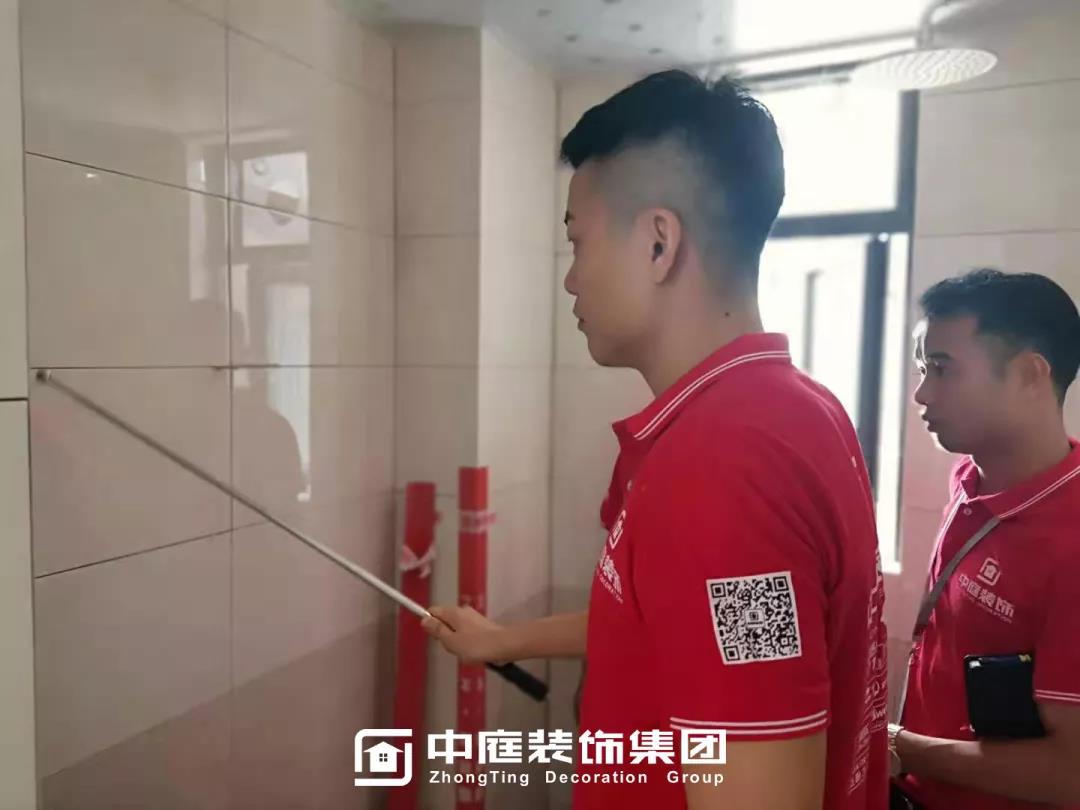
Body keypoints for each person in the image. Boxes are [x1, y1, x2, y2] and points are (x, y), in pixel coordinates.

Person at [422, 69, 888, 810]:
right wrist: (502, 641)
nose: (571, 280)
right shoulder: (793, 410)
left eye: (577, 242)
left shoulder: (723, 467)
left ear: (659, 244)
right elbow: (683, 621)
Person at [891, 269, 1080, 809]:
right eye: (922, 369)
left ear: (1029, 375)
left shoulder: (1071, 541)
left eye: (942, 369)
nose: (921, 393)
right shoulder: (971, 479)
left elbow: (1071, 775)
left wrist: (902, 747)